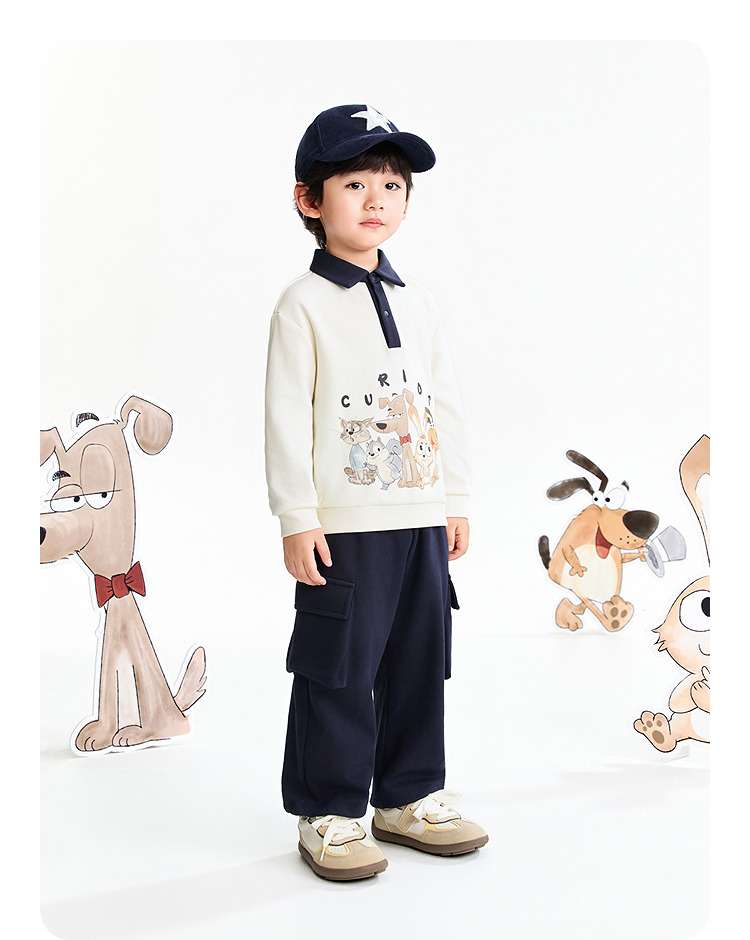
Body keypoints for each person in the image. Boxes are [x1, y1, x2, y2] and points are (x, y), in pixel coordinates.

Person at [264, 104, 488, 881]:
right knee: (337, 669)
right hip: (344, 525)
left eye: (392, 185)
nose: (376, 200)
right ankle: (328, 810)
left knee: (421, 661)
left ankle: (408, 796)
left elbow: (445, 404)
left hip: (420, 517)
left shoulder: (418, 301)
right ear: (310, 199)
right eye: (355, 183)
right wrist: (297, 516)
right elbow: (285, 417)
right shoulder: (302, 304)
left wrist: (455, 499)